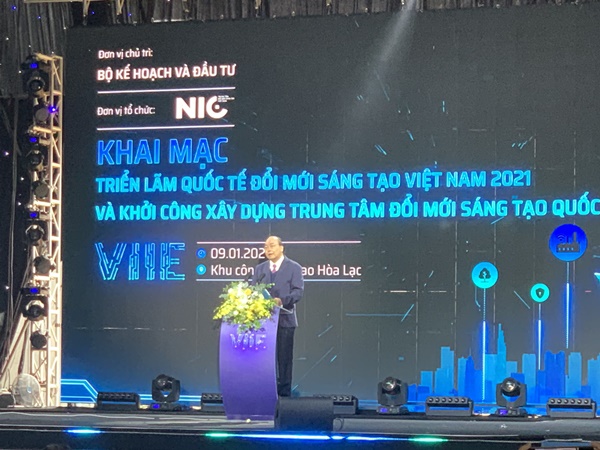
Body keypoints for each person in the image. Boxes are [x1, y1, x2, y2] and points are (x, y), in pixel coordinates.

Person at [252, 236, 304, 397]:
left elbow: (298, 292)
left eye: (272, 245)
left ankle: (284, 396)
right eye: (266, 246)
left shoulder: (294, 267)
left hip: (285, 320)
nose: (268, 249)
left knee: (284, 360)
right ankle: (265, 393)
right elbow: (253, 290)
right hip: (263, 322)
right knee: (264, 360)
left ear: (281, 248)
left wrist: (282, 300)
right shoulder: (260, 269)